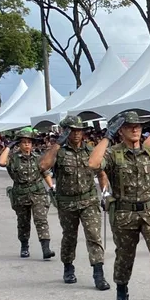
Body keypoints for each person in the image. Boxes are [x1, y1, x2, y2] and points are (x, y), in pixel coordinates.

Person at [88, 111, 150, 300]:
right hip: (124, 212)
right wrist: (107, 136)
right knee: (124, 256)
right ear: (121, 130)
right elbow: (93, 164)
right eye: (130, 126)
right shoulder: (113, 154)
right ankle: (122, 292)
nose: (135, 129)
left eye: (138, 126)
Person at [39, 116, 110, 289]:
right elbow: (43, 166)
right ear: (65, 131)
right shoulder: (59, 152)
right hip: (67, 203)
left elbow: (101, 173)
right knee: (69, 237)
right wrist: (57, 144)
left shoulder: (90, 150)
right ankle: (68, 267)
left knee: (94, 236)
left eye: (79, 130)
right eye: (72, 130)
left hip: (89, 201)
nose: (77, 133)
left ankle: (98, 273)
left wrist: (105, 194)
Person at [0, 127, 56, 260]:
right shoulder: (13, 158)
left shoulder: (37, 158)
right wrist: (8, 147)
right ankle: (24, 246)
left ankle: (46, 249)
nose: (27, 145)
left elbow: (45, 173)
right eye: (23, 142)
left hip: (38, 193)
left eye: (29, 142)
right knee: (23, 222)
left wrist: (52, 187)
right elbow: (1, 162)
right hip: (21, 194)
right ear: (19, 144)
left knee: (41, 220)